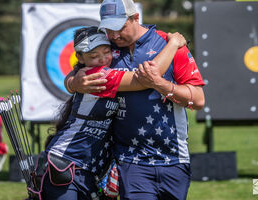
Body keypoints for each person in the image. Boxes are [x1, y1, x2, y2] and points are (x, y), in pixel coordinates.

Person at [65, 0, 205, 199]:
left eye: (119, 27)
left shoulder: (169, 43)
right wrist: (72, 82)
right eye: (108, 29)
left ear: (136, 18)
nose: (113, 35)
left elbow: (198, 100)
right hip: (130, 161)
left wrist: (162, 85)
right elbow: (78, 72)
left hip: (174, 158)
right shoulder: (105, 50)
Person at [37, 27, 186, 200]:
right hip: (67, 162)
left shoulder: (94, 72)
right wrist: (173, 44)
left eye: (106, 52)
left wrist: (70, 82)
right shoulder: (95, 75)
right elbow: (144, 79)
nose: (102, 59)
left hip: (91, 170)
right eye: (93, 56)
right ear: (80, 58)